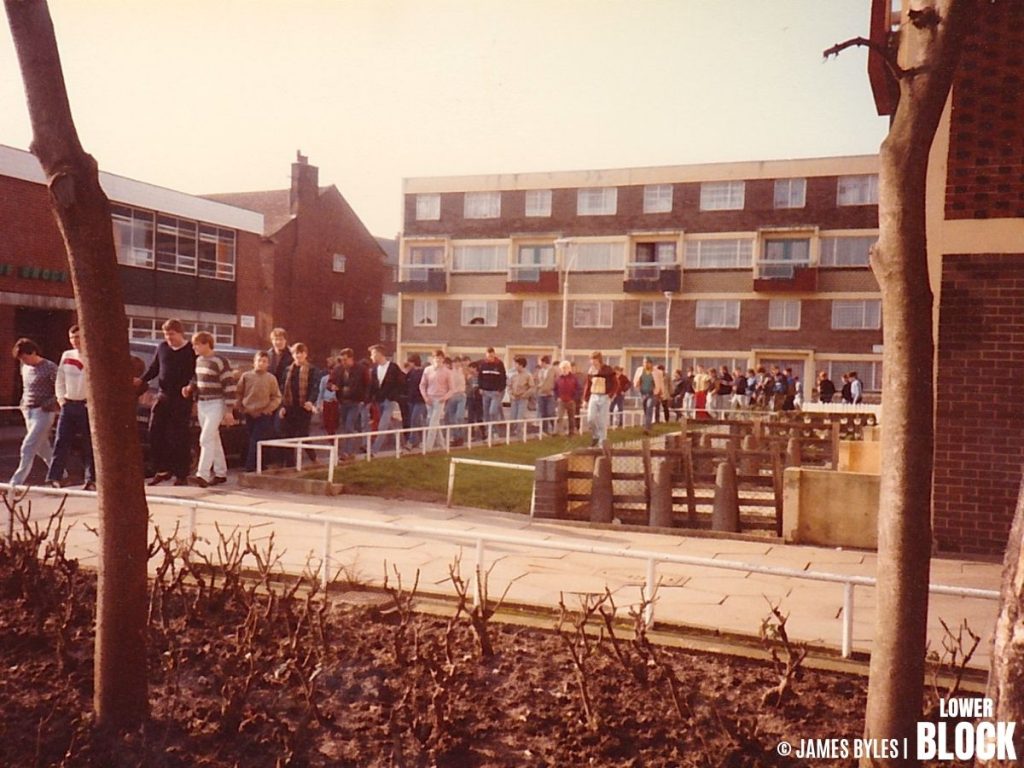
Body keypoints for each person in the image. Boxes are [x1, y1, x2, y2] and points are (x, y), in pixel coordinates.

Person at [134, 318, 197, 486]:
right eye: (166, 334)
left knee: (178, 436)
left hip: (181, 398)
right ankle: (162, 470)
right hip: (163, 395)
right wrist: (141, 380)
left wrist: (191, 386)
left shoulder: (191, 350)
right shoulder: (162, 347)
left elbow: (196, 373)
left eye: (172, 334)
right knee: (154, 431)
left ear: (180, 333)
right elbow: (154, 368)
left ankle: (181, 473)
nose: (169, 338)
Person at [183, 331, 237, 487]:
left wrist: (228, 410)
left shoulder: (220, 361)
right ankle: (221, 472)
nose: (194, 347)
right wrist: (190, 388)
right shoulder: (199, 360)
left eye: (196, 344)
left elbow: (229, 385)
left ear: (206, 344)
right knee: (213, 437)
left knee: (205, 438)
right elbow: (196, 379)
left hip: (217, 402)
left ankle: (203, 475)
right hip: (203, 403)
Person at [45, 326, 95, 491]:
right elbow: (60, 378)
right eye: (72, 338)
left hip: (87, 406)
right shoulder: (67, 355)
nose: (75, 341)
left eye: (78, 337)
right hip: (68, 404)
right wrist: (61, 399)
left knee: (89, 443)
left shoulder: (93, 356)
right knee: (61, 441)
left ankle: (91, 479)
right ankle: (54, 477)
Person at [8, 338, 58, 489]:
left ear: (34, 352)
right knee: (42, 448)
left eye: (25, 357)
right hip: (28, 410)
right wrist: (23, 404)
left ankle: (15, 484)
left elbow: (61, 389)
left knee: (28, 446)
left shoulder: (50, 367)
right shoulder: (25, 367)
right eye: (21, 359)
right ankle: (60, 474)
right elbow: (26, 388)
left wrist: (47, 405)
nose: (24, 361)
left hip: (43, 412)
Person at [236, 351, 282, 472]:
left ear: (268, 364)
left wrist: (268, 409)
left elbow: (276, 397)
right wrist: (241, 407)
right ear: (254, 362)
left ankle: (250, 465)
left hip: (264, 413)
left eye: (264, 361)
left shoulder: (271, 378)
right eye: (259, 361)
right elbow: (239, 393)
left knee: (257, 438)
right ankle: (259, 463)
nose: (261, 363)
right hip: (248, 412)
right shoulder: (246, 376)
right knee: (251, 438)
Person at [279, 343, 320, 464]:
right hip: (290, 406)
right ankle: (290, 463)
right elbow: (282, 388)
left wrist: (311, 401)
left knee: (303, 433)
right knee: (288, 434)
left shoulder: (312, 370)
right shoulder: (288, 370)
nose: (298, 355)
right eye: (296, 353)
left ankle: (313, 458)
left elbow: (315, 387)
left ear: (305, 354)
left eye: (301, 353)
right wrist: (282, 406)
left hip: (304, 407)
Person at [367, 345, 406, 455]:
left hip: (390, 401)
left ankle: (374, 451)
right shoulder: (374, 370)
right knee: (391, 425)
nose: (371, 357)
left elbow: (401, 383)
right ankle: (401, 446)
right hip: (379, 401)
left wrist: (394, 396)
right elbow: (372, 387)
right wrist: (370, 400)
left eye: (372, 354)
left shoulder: (393, 367)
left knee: (382, 425)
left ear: (379, 354)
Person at [331, 348, 367, 457]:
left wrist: (364, 400)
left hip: (355, 401)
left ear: (351, 359)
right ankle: (347, 449)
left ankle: (348, 452)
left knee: (349, 425)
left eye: (345, 360)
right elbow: (330, 382)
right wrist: (331, 386)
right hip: (342, 401)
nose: (343, 362)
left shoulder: (361, 369)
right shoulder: (338, 369)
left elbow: (368, 384)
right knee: (344, 426)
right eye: (342, 360)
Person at [419, 349, 453, 451]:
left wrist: (444, 398)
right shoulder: (427, 370)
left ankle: (428, 447)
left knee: (433, 421)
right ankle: (442, 445)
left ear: (443, 359)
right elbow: (422, 385)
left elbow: (452, 389)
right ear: (433, 358)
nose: (438, 360)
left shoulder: (448, 372)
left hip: (440, 399)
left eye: (440, 358)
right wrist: (425, 397)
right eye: (436, 358)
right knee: (433, 421)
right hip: (429, 398)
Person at [582, 351, 618, 448]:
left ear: (599, 360)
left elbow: (615, 383)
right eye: (591, 360)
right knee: (591, 418)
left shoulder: (607, 370)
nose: (593, 362)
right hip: (594, 396)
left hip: (604, 396)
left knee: (602, 420)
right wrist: (585, 399)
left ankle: (603, 442)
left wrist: (610, 395)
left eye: (595, 359)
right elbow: (588, 385)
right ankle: (595, 435)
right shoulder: (591, 371)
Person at [475, 347, 507, 437]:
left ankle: (495, 431)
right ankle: (489, 432)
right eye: (488, 356)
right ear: (486, 355)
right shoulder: (483, 364)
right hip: (485, 392)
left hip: (495, 392)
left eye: (492, 356)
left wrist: (500, 389)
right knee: (486, 413)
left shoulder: (499, 364)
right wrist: (480, 388)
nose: (490, 358)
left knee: (492, 411)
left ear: (494, 355)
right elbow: (480, 377)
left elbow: (503, 378)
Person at [632, 357, 664, 434]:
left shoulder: (657, 372)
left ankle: (646, 428)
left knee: (649, 407)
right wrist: (636, 385)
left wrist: (662, 393)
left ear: (651, 363)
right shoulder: (640, 370)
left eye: (647, 362)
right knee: (645, 409)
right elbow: (635, 379)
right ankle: (648, 424)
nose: (645, 364)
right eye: (644, 362)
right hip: (643, 393)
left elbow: (661, 383)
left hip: (652, 394)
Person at [507, 356, 533, 438]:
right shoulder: (513, 375)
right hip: (514, 399)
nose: (515, 365)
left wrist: (525, 395)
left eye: (516, 364)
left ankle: (519, 434)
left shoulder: (528, 375)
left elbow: (532, 387)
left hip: (522, 399)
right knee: (512, 417)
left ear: (521, 365)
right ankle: (513, 433)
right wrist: (511, 394)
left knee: (520, 417)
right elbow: (509, 386)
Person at [404, 354, 426, 449]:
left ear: (414, 362)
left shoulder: (422, 372)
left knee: (414, 419)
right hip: (411, 399)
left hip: (420, 400)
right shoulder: (411, 372)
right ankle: (418, 440)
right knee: (415, 421)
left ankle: (411, 441)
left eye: (410, 362)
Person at [446, 357, 468, 446]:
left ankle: (460, 437)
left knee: (459, 416)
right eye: (454, 362)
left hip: (461, 395)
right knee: (451, 418)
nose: (456, 364)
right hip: (452, 396)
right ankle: (455, 437)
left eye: (458, 362)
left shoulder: (463, 371)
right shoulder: (449, 372)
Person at [554, 360, 580, 435]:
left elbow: (578, 389)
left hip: (571, 401)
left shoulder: (574, 378)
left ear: (569, 369)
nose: (564, 370)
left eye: (565, 368)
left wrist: (574, 398)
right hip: (561, 401)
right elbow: (555, 389)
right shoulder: (558, 379)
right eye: (562, 368)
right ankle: (557, 431)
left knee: (571, 418)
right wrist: (557, 397)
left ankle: (571, 432)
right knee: (559, 417)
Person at [533, 356, 557, 434]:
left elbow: (556, 380)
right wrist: (537, 387)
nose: (540, 364)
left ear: (544, 362)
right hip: (541, 394)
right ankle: (545, 430)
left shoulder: (553, 370)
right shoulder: (540, 371)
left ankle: (554, 427)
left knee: (550, 412)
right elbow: (536, 380)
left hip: (550, 394)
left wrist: (553, 389)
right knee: (543, 413)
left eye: (541, 362)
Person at [317, 356, 340, 435]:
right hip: (327, 401)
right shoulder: (324, 379)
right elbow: (321, 391)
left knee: (333, 422)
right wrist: (319, 404)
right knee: (326, 421)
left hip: (335, 401)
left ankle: (333, 437)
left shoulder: (339, 378)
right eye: (331, 369)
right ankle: (330, 436)